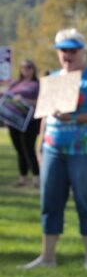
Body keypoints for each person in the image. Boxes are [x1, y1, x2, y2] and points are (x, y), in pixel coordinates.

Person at [21, 29, 87, 270]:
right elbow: (46, 113)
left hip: (85, 150)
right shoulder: (53, 78)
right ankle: (47, 257)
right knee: (50, 202)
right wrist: (40, 141)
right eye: (63, 50)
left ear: (82, 52)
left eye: (73, 50)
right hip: (53, 148)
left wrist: (74, 118)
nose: (68, 55)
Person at [4, 59, 40, 187]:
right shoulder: (15, 84)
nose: (25, 69)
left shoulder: (36, 84)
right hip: (13, 122)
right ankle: (22, 179)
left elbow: (41, 101)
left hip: (29, 122)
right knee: (19, 149)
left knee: (28, 148)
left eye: (28, 67)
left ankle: (37, 178)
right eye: (23, 67)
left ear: (33, 69)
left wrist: (24, 100)